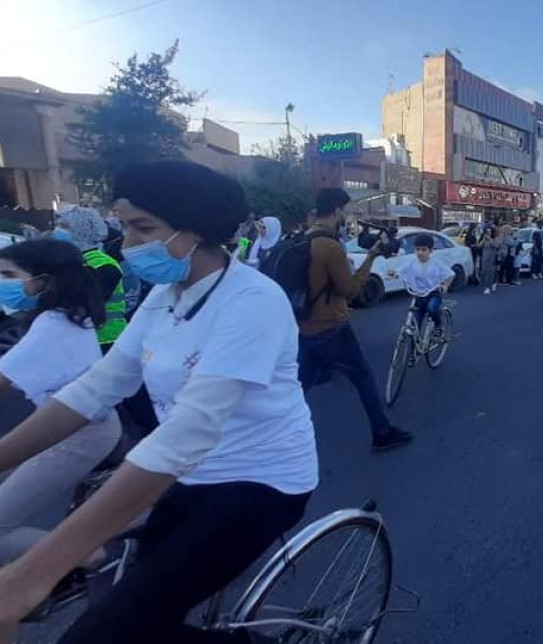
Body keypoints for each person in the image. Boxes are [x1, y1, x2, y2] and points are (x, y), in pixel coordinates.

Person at [0, 161, 318, 643]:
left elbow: (188, 431)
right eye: (125, 226)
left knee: (105, 633)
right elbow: (96, 388)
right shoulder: (166, 295)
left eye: (141, 227)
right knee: (139, 617)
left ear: (194, 229)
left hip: (258, 483)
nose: (125, 243)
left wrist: (33, 573)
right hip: (186, 476)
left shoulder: (254, 301)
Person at [0, 240, 121, 566]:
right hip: (64, 422)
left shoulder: (54, 326)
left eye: (8, 274)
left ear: (43, 280)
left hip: (80, 433)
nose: (2, 282)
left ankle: (95, 558)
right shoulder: (58, 317)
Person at [296, 188, 412, 451]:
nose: (344, 216)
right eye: (344, 211)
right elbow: (350, 290)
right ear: (337, 210)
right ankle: (382, 432)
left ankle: (273, 436)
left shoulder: (306, 238)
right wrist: (370, 258)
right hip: (331, 327)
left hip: (305, 326)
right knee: (363, 376)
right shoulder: (329, 246)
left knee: (300, 385)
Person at [53, 205, 127, 350]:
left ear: (81, 229)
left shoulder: (104, 265)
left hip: (106, 341)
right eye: (57, 225)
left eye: (64, 226)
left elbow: (87, 304)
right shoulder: (69, 262)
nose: (57, 230)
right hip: (79, 338)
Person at [399, 234, 455, 341]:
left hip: (432, 293)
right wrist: (394, 273)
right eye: (417, 249)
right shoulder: (411, 262)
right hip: (417, 295)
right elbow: (400, 270)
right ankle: (414, 352)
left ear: (431, 251)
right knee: (414, 325)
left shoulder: (436, 263)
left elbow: (451, 274)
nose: (420, 252)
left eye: (424, 250)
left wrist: (445, 285)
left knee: (432, 308)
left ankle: (439, 327)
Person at [479, 223, 501, 294]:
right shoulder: (484, 238)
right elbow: (478, 246)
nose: (488, 232)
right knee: (485, 273)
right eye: (487, 230)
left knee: (492, 273)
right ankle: (486, 287)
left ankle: (492, 284)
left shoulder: (495, 238)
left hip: (492, 258)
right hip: (485, 258)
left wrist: (490, 239)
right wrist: (483, 240)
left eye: (489, 230)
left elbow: (496, 245)